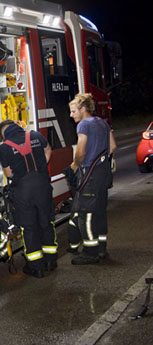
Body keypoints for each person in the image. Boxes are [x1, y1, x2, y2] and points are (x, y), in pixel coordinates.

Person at [0, 120, 56, 278]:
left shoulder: (4, 147)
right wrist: (41, 166)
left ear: (3, 134)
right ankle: (51, 261)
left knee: (29, 228)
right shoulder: (35, 135)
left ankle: (36, 267)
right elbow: (48, 150)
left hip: (23, 191)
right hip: (43, 185)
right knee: (46, 223)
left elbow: (9, 174)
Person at [68, 94, 117, 264]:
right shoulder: (102, 122)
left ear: (83, 109)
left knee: (85, 214)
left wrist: (74, 166)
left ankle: (90, 252)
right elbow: (112, 146)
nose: (71, 115)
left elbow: (81, 151)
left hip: (90, 175)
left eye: (74, 111)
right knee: (100, 212)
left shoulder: (84, 125)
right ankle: (102, 248)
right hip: (103, 174)